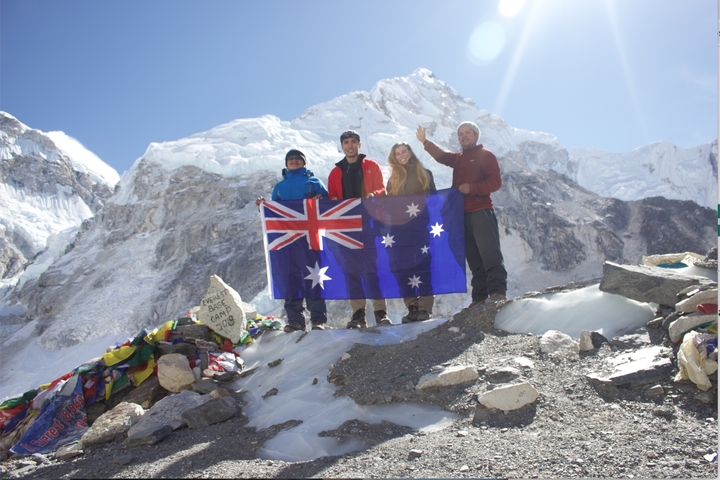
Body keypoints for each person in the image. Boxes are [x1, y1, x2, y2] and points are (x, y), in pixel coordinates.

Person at [416, 122, 507, 307]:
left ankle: (498, 292)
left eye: (467, 133)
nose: (464, 136)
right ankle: (479, 297)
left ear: (476, 135)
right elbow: (441, 156)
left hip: (481, 211)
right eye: (460, 134)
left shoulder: (486, 155)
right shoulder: (458, 158)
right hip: (460, 215)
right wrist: (425, 141)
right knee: (473, 258)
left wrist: (472, 188)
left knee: (489, 253)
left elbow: (496, 182)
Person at [256, 149, 329, 332]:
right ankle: (295, 321)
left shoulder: (314, 182)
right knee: (291, 279)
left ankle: (318, 320)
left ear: (304, 163)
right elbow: (275, 214)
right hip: (288, 241)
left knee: (314, 278)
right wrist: (264, 208)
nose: (295, 161)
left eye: (298, 159)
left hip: (310, 239)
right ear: (286, 163)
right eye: (291, 159)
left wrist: (322, 199)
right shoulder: (279, 187)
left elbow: (328, 205)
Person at [327, 130, 393, 328]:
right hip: (345, 228)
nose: (350, 145)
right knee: (351, 271)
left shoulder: (371, 166)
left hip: (369, 224)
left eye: (353, 142)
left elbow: (382, 189)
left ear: (359, 144)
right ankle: (358, 315)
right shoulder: (335, 172)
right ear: (342, 146)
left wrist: (374, 193)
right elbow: (332, 199)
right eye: (346, 142)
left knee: (372, 268)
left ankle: (380, 312)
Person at [386, 142, 437, 323]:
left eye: (404, 151)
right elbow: (390, 206)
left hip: (419, 227)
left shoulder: (425, 174)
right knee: (401, 267)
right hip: (399, 231)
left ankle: (425, 308)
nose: (401, 155)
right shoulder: (392, 180)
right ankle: (412, 307)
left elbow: (434, 200)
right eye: (397, 153)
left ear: (410, 152)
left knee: (422, 265)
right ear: (394, 157)